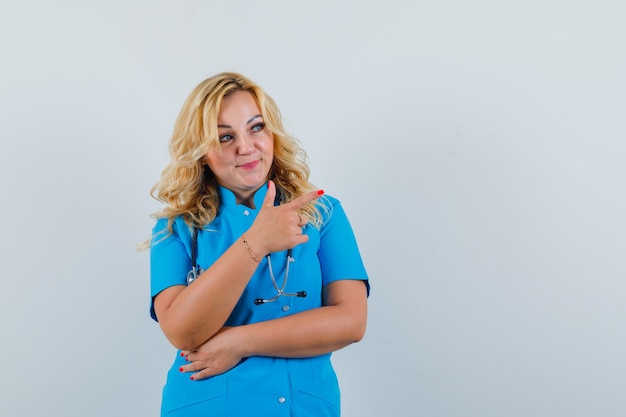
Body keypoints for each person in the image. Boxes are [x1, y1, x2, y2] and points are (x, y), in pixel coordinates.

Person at [147, 72, 369, 417]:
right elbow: (181, 331)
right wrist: (256, 241)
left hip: (305, 405)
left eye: (256, 127)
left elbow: (351, 322)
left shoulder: (324, 214)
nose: (245, 147)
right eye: (224, 137)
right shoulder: (177, 225)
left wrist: (237, 342)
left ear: (272, 133)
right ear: (201, 152)